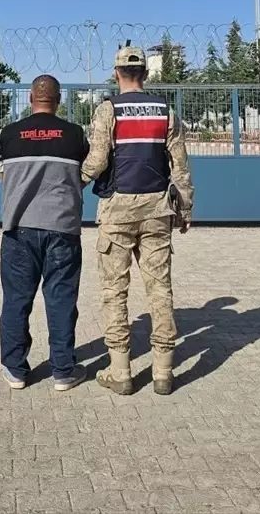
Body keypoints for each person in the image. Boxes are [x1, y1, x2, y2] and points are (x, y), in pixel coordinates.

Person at [82, 44, 195, 396]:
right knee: (159, 288)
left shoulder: (108, 110)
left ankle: (121, 372)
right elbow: (180, 166)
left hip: (118, 209)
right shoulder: (166, 111)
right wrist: (185, 208)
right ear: (145, 73)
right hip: (157, 208)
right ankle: (163, 371)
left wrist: (71, 183)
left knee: (115, 290)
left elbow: (97, 162)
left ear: (116, 74)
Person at [0, 74, 90, 391]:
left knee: (16, 301)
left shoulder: (9, 134)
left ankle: (16, 370)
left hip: (18, 229)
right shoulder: (75, 135)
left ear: (30, 98)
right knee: (61, 300)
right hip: (62, 228)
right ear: (58, 100)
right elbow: (88, 170)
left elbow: (3, 176)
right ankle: (63, 371)